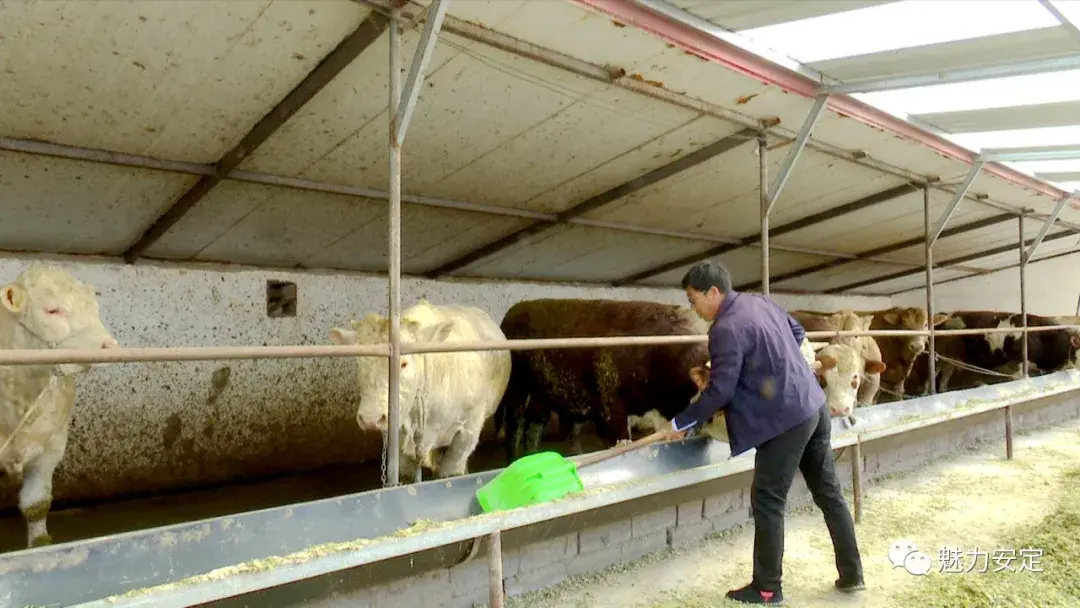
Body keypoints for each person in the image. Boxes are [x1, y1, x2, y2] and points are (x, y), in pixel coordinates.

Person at [657, 259, 865, 605]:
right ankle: (852, 575)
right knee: (829, 493)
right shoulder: (760, 301)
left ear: (713, 292)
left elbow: (720, 390)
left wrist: (682, 422)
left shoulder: (724, 329)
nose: (693, 307)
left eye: (693, 299)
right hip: (813, 405)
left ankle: (767, 588)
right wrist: (787, 368)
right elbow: (798, 334)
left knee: (768, 501)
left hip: (785, 421)